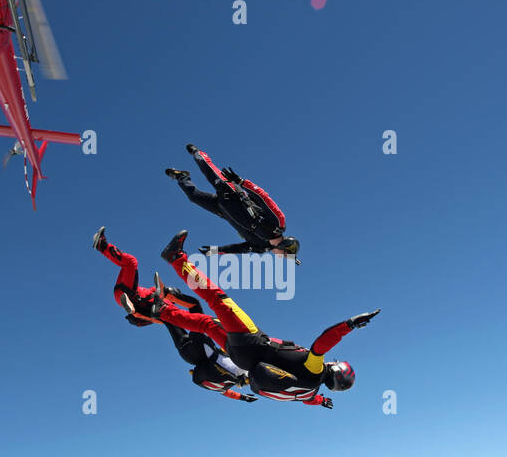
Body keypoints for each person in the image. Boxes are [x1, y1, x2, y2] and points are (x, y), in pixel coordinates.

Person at [151, 229, 379, 407]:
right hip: (242, 359)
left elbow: (322, 343)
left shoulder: (316, 369)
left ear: (335, 369)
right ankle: (161, 311)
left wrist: (349, 325)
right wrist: (322, 402)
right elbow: (310, 401)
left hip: (252, 342)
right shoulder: (309, 391)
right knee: (207, 324)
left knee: (217, 298)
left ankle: (176, 259)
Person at [93, 227, 255, 401]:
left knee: (192, 307)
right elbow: (222, 390)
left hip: (200, 348)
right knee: (168, 316)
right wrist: (242, 397)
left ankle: (159, 299)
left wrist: (242, 391)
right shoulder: (230, 375)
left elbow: (234, 374)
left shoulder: (243, 362)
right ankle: (148, 310)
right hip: (189, 354)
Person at [165, 144, 301, 261]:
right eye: (283, 256)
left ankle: (182, 176)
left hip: (222, 210)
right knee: (207, 169)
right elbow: (263, 198)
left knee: (193, 197)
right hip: (232, 194)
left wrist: (216, 251)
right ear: (284, 247)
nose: (279, 258)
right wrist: (241, 182)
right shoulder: (278, 223)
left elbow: (239, 249)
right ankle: (197, 152)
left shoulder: (262, 247)